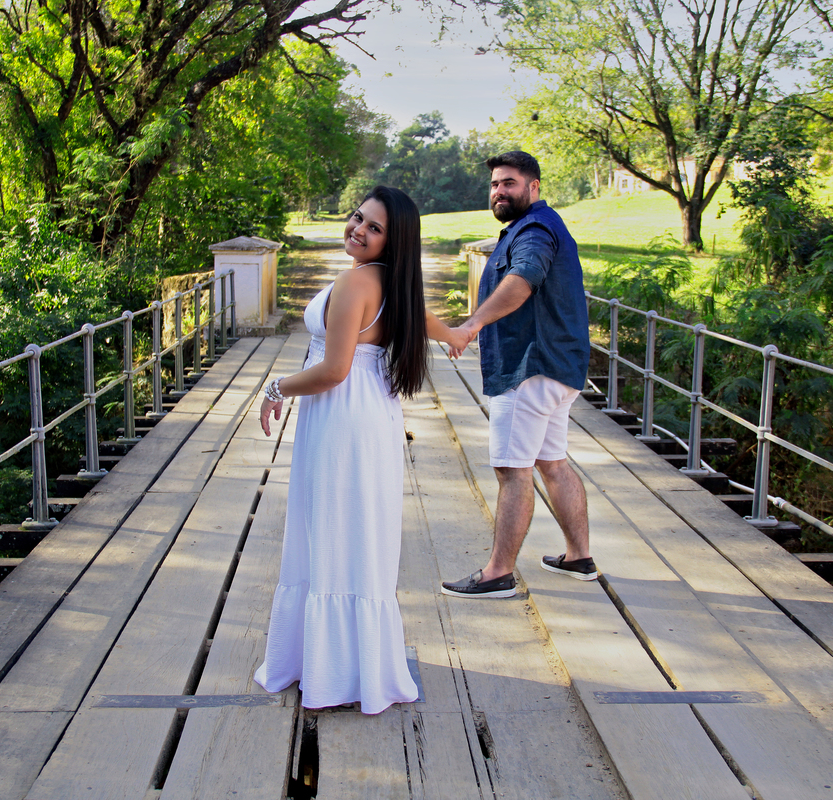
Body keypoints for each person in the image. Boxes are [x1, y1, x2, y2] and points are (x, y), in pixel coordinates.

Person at [254, 185, 457, 713]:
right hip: (373, 414)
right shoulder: (395, 283)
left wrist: (275, 387)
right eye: (356, 218)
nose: (358, 230)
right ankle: (351, 663)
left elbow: (332, 370)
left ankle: (331, 669)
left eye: (373, 228)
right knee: (358, 532)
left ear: (393, 241)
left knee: (329, 528)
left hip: (341, 415)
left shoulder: (353, 282)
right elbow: (426, 323)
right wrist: (458, 333)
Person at [439, 151, 597, 599]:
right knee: (552, 462)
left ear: (534, 187)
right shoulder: (536, 227)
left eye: (509, 183)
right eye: (494, 184)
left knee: (513, 471)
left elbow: (523, 280)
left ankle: (498, 574)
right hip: (556, 368)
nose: (498, 191)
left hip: (529, 368)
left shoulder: (534, 231)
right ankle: (578, 556)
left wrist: (470, 325)